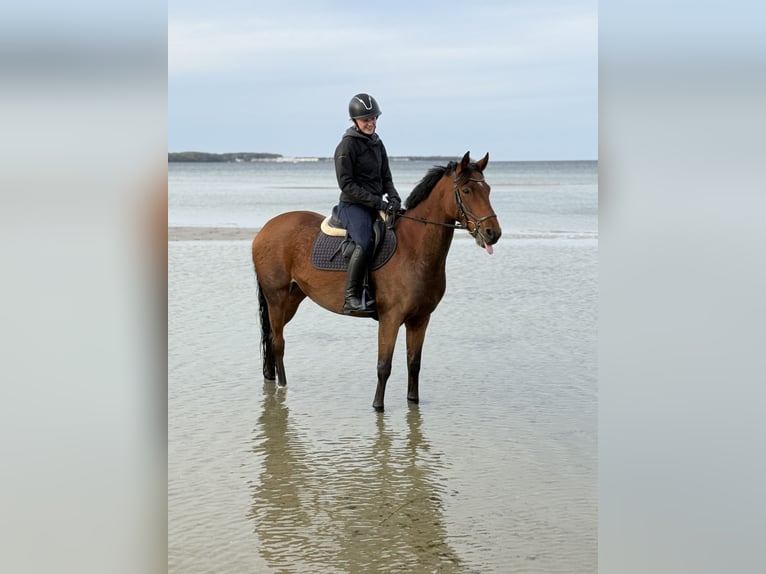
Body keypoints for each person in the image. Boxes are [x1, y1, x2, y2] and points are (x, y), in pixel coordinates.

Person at [334, 93, 401, 316]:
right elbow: (347, 185)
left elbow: (386, 178)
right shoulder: (347, 146)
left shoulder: (377, 143)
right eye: (366, 120)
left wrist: (393, 198)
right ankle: (351, 297)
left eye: (373, 118)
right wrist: (377, 203)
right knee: (364, 241)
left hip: (375, 204)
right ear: (355, 121)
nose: (371, 123)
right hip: (353, 205)